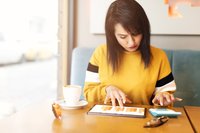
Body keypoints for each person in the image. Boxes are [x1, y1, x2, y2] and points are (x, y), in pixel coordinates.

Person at [83, 0, 181, 108]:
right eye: (123, 37)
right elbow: (88, 93)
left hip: (143, 121)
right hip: (105, 120)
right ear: (113, 35)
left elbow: (167, 98)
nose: (131, 42)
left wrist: (163, 97)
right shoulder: (100, 53)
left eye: (135, 34)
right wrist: (107, 90)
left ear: (144, 30)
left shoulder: (159, 56)